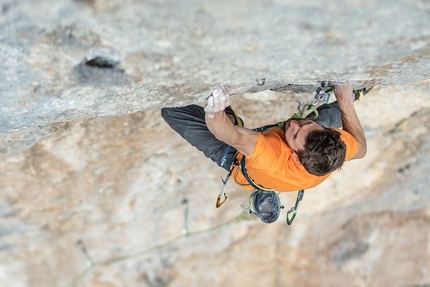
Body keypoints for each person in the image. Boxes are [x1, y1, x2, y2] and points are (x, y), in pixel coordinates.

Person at [161, 84, 367, 193]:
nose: (294, 122)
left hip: (235, 157)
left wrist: (216, 112)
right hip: (301, 141)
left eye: (295, 133)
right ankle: (353, 96)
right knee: (334, 113)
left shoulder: (272, 157)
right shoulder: (334, 144)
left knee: (171, 111)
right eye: (305, 124)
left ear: (295, 157)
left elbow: (229, 136)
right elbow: (362, 149)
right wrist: (345, 102)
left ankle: (230, 116)